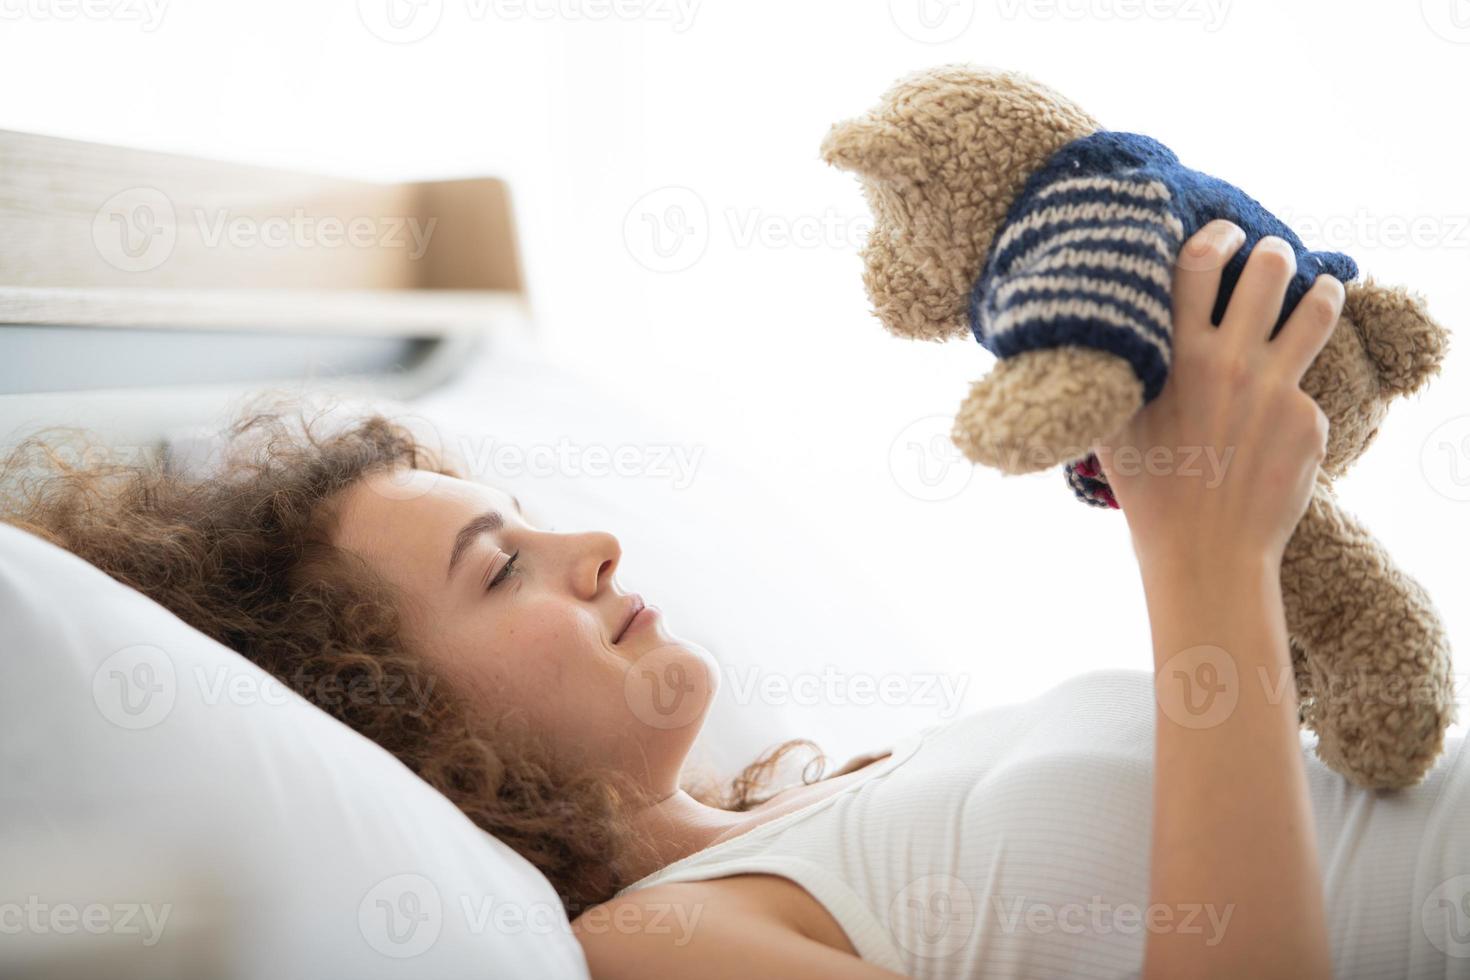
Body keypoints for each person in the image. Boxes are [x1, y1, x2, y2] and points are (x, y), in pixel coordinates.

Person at [5, 221, 1451, 978]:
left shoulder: (818, 797)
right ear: (390, 710)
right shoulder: (650, 946)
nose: (595, 549)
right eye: (498, 565)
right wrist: (1204, 559)